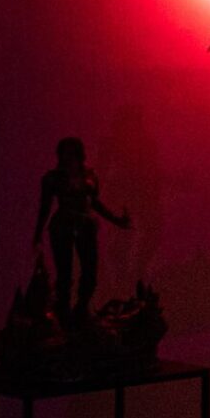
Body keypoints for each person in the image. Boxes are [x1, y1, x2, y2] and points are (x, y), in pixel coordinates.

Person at [34, 136, 131, 317]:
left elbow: (94, 202)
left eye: (72, 153)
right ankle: (63, 313)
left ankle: (81, 310)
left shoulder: (89, 175)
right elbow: (45, 207)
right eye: (65, 153)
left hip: (85, 225)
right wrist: (38, 234)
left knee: (90, 272)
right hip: (62, 226)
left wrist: (116, 220)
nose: (68, 157)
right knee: (64, 273)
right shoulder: (53, 178)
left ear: (79, 154)